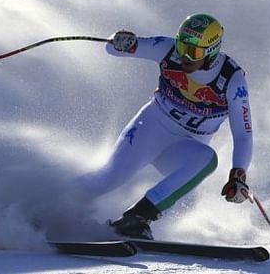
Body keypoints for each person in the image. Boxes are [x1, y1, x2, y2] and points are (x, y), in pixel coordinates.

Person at [78, 13, 253, 240]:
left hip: (184, 148)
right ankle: (48, 204)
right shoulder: (168, 49)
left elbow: (243, 134)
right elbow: (113, 48)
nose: (185, 57)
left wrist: (238, 175)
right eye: (182, 46)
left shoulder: (232, 80)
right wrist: (121, 41)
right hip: (151, 128)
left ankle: (138, 217)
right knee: (110, 177)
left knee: (207, 160)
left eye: (194, 52)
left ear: (211, 52)